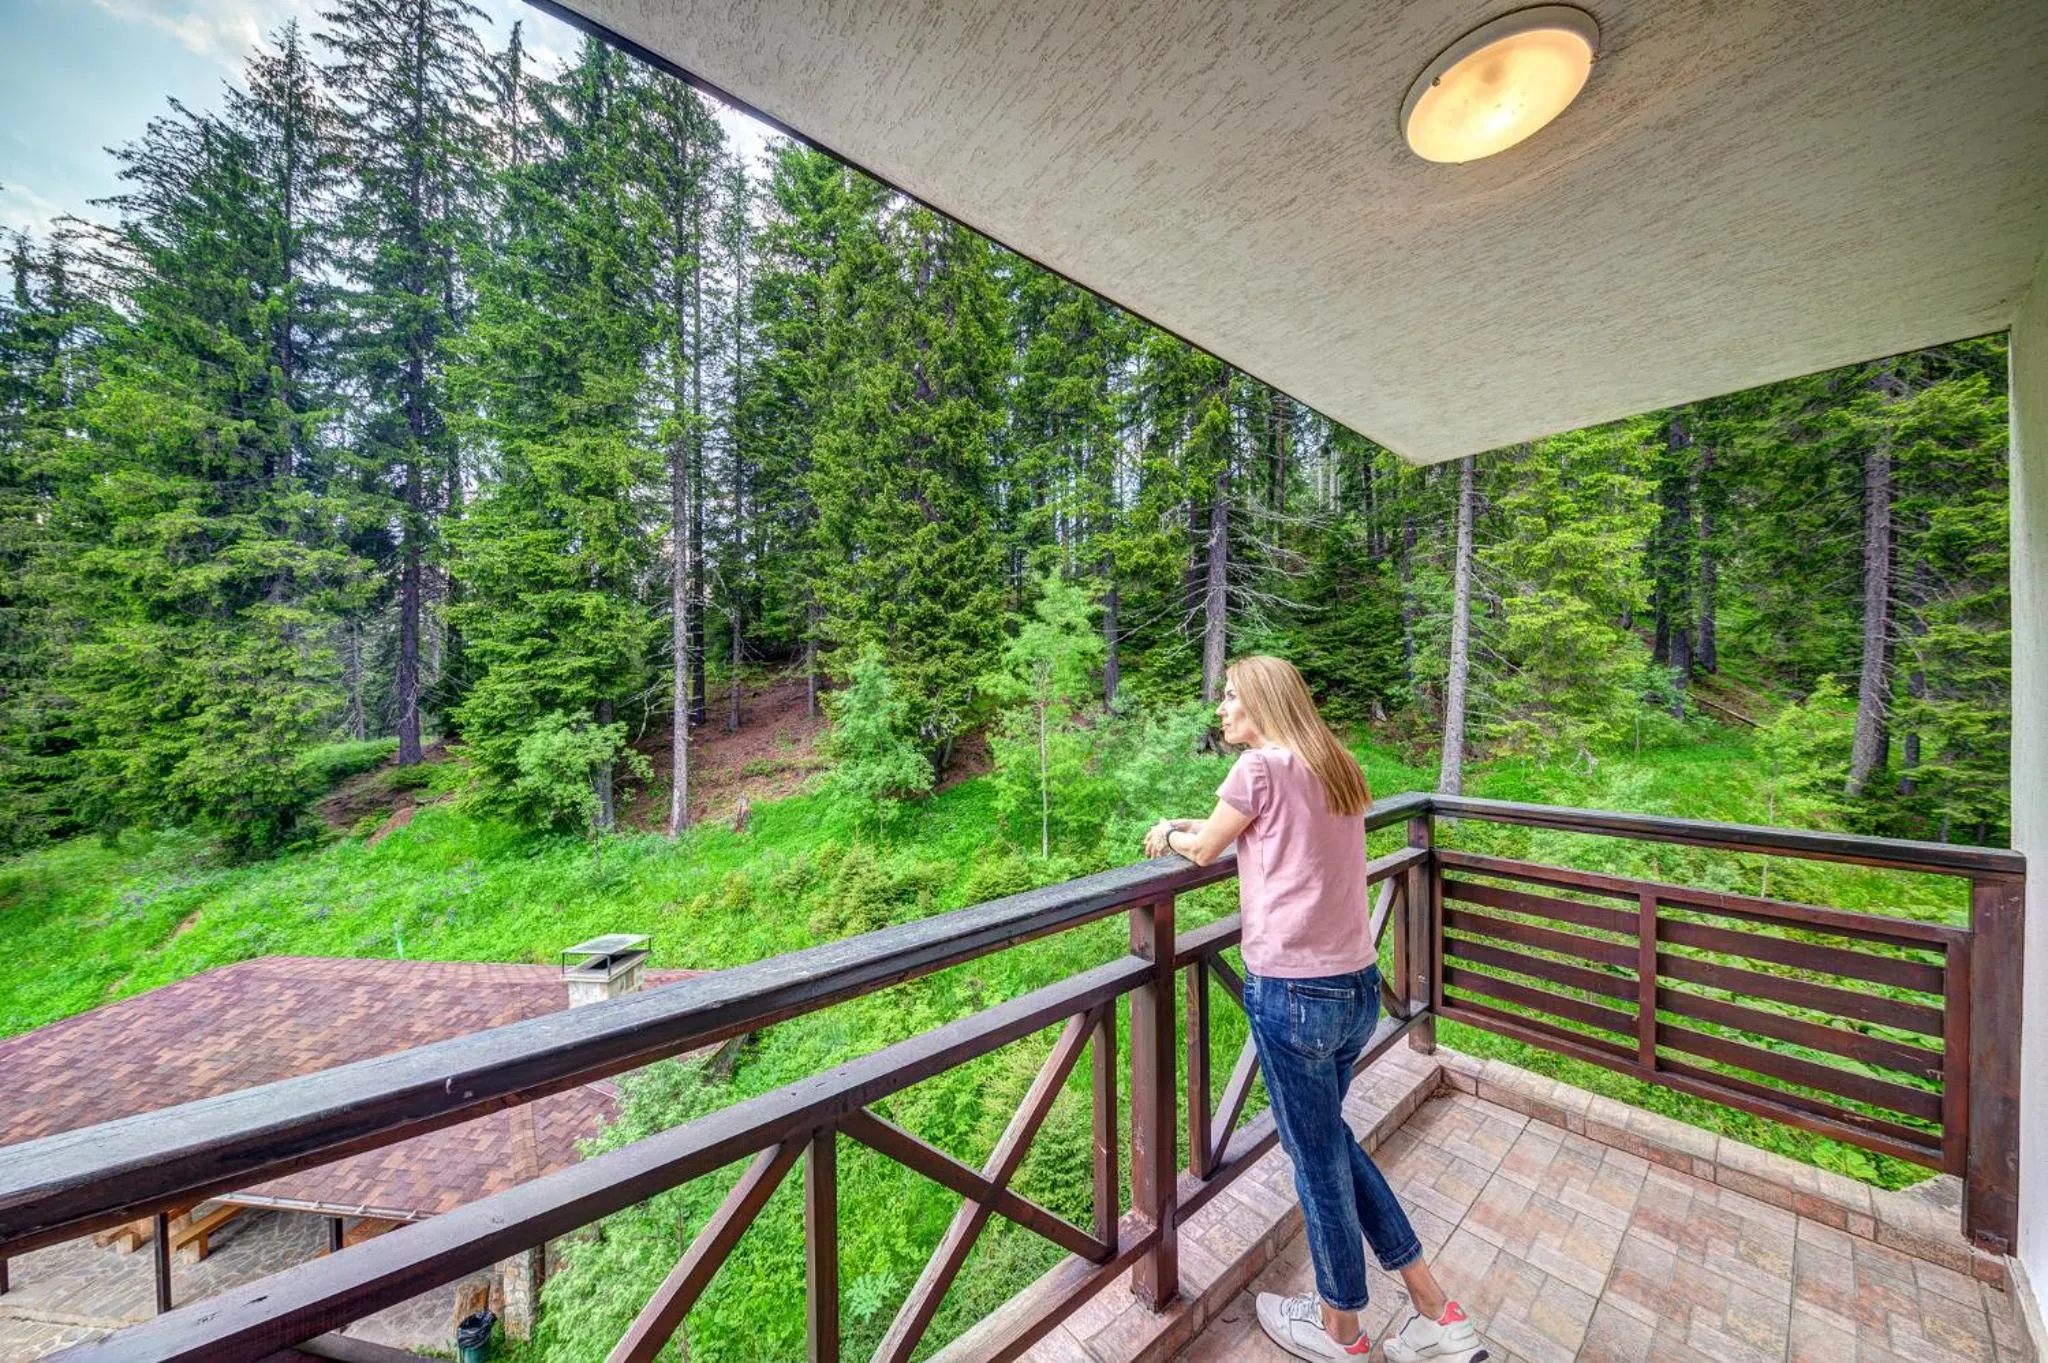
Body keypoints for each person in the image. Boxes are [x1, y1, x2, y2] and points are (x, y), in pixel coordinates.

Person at [1144, 656, 1485, 1363]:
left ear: (1264, 701)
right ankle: (1435, 1309)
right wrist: (1199, 819)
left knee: (1318, 1161)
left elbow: (1206, 847)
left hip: (1292, 992)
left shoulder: (1257, 769)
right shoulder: (1338, 764)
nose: (1222, 708)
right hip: (1357, 986)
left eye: (1232, 696)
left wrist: (1168, 835)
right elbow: (1261, 831)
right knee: (1326, 1144)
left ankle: (1342, 1330)